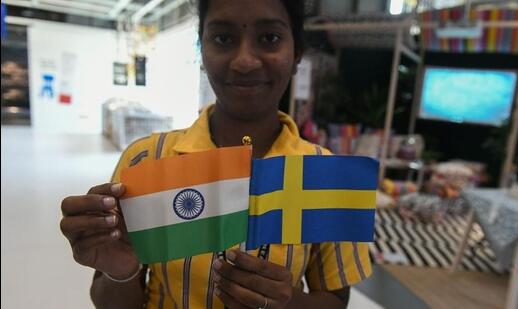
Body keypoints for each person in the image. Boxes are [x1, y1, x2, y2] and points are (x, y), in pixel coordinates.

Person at [60, 0, 372, 308]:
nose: (245, 61)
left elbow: (336, 299)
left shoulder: (327, 176)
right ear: (202, 50)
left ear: (297, 55)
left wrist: (289, 303)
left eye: (269, 38)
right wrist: (121, 272)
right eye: (223, 38)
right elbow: (110, 301)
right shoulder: (147, 161)